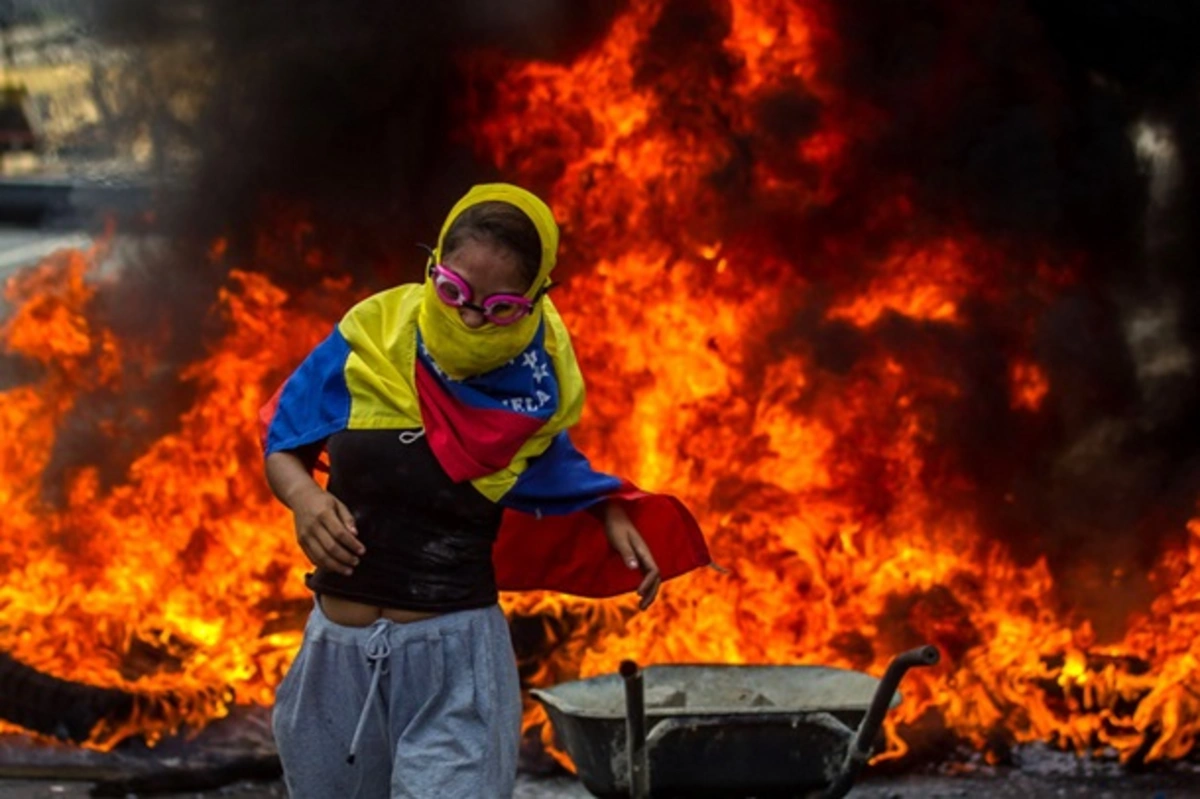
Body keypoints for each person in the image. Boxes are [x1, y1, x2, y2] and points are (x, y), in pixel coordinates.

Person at [259, 183, 711, 798]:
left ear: (533, 299)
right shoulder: (369, 336)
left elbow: (558, 474)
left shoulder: (531, 387)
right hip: (334, 660)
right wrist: (305, 500)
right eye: (453, 292)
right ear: (433, 266)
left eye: (498, 308)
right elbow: (284, 439)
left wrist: (608, 508)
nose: (470, 318)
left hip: (455, 668)